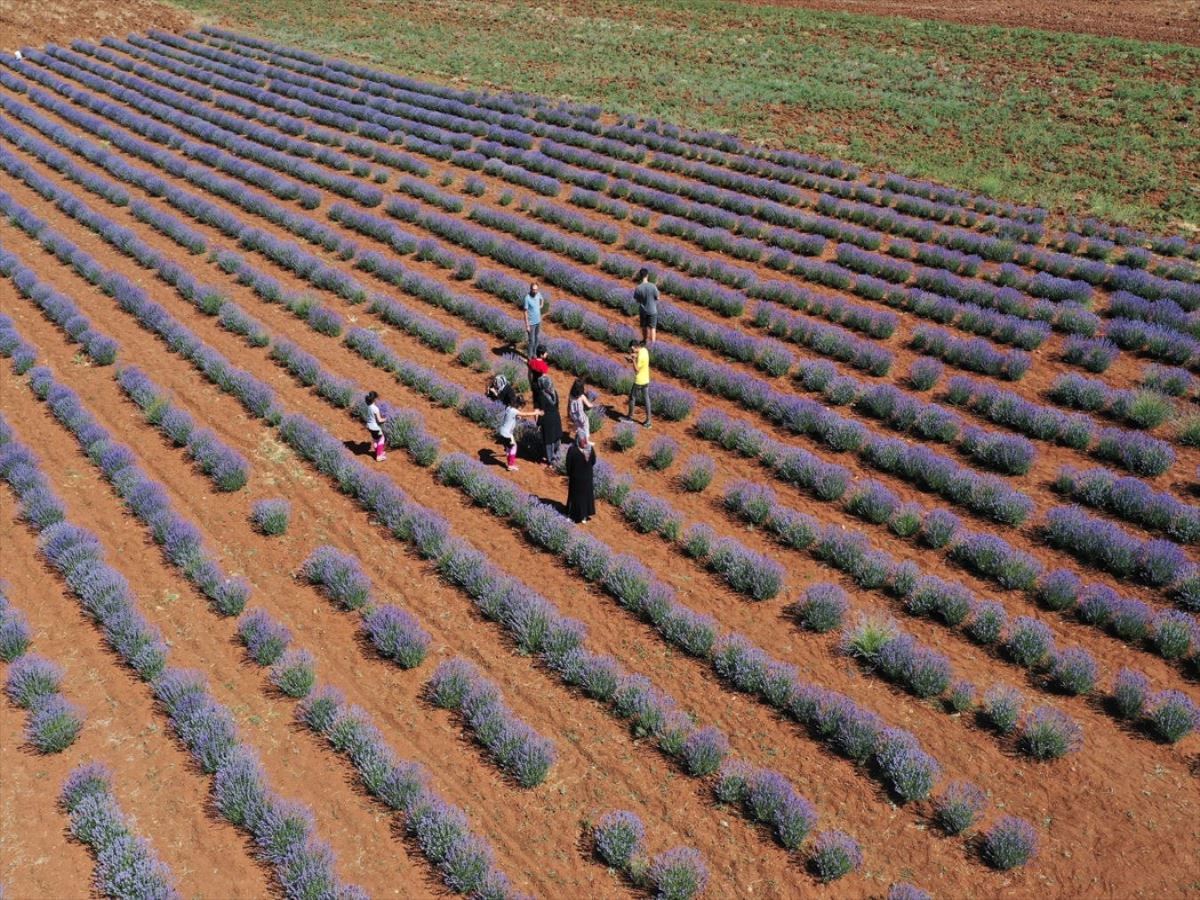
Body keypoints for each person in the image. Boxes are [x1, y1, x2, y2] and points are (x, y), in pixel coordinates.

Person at [497, 388, 540, 472]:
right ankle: (510, 465)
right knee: (514, 447)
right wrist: (536, 413)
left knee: (509, 448)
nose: (521, 409)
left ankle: (509, 460)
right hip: (507, 434)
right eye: (521, 407)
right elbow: (525, 414)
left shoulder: (509, 408)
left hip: (502, 431)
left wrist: (517, 416)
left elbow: (510, 417)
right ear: (519, 405)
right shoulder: (514, 411)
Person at [532, 364, 563, 467]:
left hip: (547, 420)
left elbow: (541, 411)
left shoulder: (541, 396)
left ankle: (550, 460)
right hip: (556, 417)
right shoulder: (555, 393)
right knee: (557, 437)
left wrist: (538, 422)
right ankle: (558, 455)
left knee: (548, 441)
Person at [565, 430, 597, 524]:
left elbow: (568, 464)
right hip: (587, 477)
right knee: (586, 496)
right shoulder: (590, 449)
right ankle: (584, 516)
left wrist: (570, 474)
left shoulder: (572, 450)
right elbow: (593, 461)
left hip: (576, 478)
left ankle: (572, 516)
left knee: (574, 497)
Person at [627, 340, 651, 428]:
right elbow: (641, 359)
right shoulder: (644, 350)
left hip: (639, 381)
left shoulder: (640, 356)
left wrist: (633, 360)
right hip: (646, 379)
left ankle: (630, 417)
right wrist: (635, 356)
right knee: (646, 400)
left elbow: (636, 370)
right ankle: (649, 421)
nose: (631, 351)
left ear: (633, 347)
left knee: (632, 397)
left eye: (631, 349)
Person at [634, 268, 659, 346]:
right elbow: (658, 298)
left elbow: (637, 300)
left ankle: (644, 341)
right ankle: (653, 344)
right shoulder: (653, 286)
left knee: (644, 326)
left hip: (643, 310)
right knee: (653, 328)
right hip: (653, 310)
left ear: (640, 276)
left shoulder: (638, 288)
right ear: (647, 275)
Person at [567, 377, 594, 444]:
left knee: (578, 425)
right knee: (585, 427)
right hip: (581, 416)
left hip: (573, 415)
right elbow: (589, 405)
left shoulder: (571, 395)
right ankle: (587, 441)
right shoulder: (581, 396)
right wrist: (593, 405)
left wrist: (568, 414)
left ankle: (576, 433)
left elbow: (568, 405)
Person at [364, 391, 388, 462]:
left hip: (369, 426)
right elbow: (380, 420)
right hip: (375, 427)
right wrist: (386, 418)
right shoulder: (375, 408)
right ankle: (378, 456)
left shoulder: (368, 407)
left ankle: (378, 452)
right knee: (382, 439)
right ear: (374, 399)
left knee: (375, 439)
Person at [523, 281, 544, 359]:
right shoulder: (527, 298)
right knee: (531, 341)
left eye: (536, 289)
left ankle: (534, 354)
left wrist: (541, 306)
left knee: (537, 339)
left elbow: (542, 299)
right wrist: (527, 325)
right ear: (530, 289)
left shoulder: (538, 294)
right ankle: (529, 357)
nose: (535, 291)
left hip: (538, 321)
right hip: (531, 323)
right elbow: (525, 312)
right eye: (533, 289)